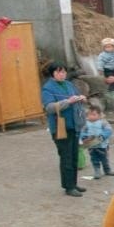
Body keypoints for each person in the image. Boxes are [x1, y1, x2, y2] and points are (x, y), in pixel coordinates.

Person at [41, 61, 87, 197]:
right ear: (53, 74)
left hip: (74, 125)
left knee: (74, 157)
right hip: (60, 127)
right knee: (66, 157)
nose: (62, 74)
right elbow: (49, 107)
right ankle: (68, 187)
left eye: (64, 71)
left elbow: (76, 96)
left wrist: (81, 98)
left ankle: (73, 183)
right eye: (59, 72)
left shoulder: (69, 84)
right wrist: (68, 102)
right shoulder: (47, 88)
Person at [80, 104, 114, 179]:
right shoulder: (86, 123)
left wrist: (102, 136)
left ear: (99, 115)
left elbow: (109, 130)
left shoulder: (103, 122)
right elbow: (82, 132)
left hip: (103, 145)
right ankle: (97, 171)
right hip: (91, 145)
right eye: (89, 114)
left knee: (104, 158)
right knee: (94, 159)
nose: (91, 116)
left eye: (93, 115)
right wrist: (84, 137)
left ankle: (107, 170)